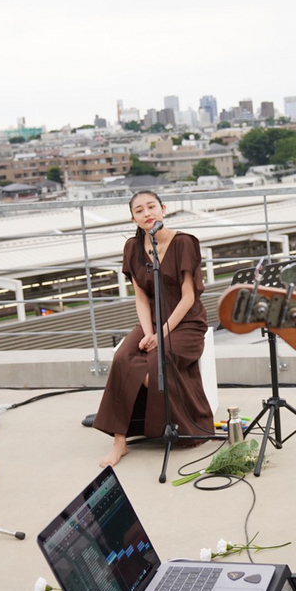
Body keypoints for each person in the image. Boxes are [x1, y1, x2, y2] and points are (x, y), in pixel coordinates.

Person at [93, 191, 213, 467]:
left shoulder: (183, 242)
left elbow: (188, 298)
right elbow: (140, 298)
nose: (146, 213)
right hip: (153, 322)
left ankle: (184, 423)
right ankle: (120, 442)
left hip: (186, 323)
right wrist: (149, 333)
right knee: (123, 358)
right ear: (132, 218)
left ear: (163, 209)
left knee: (157, 360)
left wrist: (162, 336)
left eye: (151, 207)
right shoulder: (131, 248)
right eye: (139, 210)